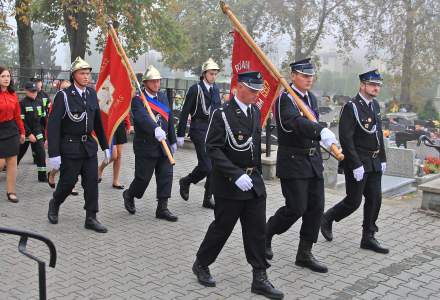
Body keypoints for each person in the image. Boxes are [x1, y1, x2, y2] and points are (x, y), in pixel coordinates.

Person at [193, 71, 284, 299]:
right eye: (252, 90)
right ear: (239, 87)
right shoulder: (222, 114)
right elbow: (212, 148)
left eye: (257, 91)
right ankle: (201, 263)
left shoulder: (255, 111)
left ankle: (260, 278)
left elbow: (253, 148)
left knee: (256, 232)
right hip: (228, 184)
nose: (256, 94)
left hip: (252, 182)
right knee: (222, 228)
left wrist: (255, 176)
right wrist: (235, 174)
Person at [264, 58, 337, 273]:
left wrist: (323, 137)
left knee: (315, 208)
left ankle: (304, 253)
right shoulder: (285, 99)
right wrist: (319, 130)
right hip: (293, 161)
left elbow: (310, 123)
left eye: (311, 76)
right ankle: (267, 232)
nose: (309, 79)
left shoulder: (310, 98)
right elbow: (294, 123)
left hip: (313, 161)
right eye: (305, 76)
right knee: (295, 208)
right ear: (293, 76)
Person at [320, 69, 389, 254]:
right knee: (354, 201)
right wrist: (356, 163)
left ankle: (368, 237)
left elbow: (378, 134)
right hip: (358, 160)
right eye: (373, 84)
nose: (376, 88)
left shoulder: (374, 106)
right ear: (363, 85)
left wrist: (382, 157)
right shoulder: (351, 106)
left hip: (373, 160)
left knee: (375, 198)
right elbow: (346, 138)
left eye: (378, 85)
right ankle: (327, 218)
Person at [47, 57, 110, 233]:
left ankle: (91, 217)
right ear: (74, 75)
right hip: (70, 146)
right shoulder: (64, 96)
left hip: (88, 146)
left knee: (91, 182)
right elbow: (53, 126)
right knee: (68, 182)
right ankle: (55, 202)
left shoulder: (91, 94)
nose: (86, 77)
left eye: (88, 74)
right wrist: (54, 154)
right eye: (82, 73)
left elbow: (97, 123)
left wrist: (105, 146)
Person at [122, 65, 178, 222]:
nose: (156, 84)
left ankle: (162, 208)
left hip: (163, 145)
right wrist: (154, 129)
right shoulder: (138, 100)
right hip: (146, 145)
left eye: (158, 81)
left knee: (166, 175)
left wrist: (172, 140)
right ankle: (130, 194)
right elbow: (141, 117)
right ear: (145, 83)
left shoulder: (162, 97)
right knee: (143, 179)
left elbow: (168, 117)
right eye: (153, 82)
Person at [177, 58, 221, 209]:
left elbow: (218, 111)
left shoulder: (215, 89)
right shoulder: (195, 89)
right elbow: (184, 112)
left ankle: (208, 198)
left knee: (214, 166)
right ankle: (187, 181)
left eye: (215, 74)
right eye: (211, 73)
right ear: (204, 74)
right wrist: (180, 133)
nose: (214, 77)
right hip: (198, 129)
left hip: (213, 131)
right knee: (206, 165)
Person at [46, 79, 79, 196]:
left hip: (71, 138)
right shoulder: (57, 102)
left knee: (72, 163)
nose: (66, 90)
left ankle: (71, 186)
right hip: (59, 137)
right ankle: (52, 174)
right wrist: (48, 139)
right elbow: (50, 124)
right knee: (61, 164)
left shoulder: (76, 101)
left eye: (68, 88)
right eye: (63, 88)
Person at [0, 66, 25, 203]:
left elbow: (17, 116)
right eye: (3, 76)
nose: (6, 79)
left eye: (8, 76)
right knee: (1, 162)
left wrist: (22, 132)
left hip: (11, 130)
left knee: (12, 162)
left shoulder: (13, 95)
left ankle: (11, 192)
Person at [17, 81, 47, 182]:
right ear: (26, 91)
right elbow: (21, 121)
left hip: (38, 132)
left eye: (35, 91)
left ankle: (42, 176)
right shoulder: (22, 103)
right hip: (25, 134)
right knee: (18, 154)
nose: (34, 93)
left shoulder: (39, 102)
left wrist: (45, 133)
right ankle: (10, 169)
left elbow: (43, 119)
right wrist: (28, 134)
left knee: (41, 154)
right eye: (32, 91)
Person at [97, 114, 131, 189]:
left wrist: (127, 123)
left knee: (119, 155)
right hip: (109, 124)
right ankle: (100, 168)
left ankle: (115, 181)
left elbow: (125, 107)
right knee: (113, 155)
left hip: (120, 123)